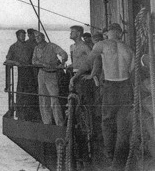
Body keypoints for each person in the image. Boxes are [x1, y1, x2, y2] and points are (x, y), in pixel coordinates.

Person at [70, 23, 134, 171]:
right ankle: (119, 164)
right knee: (123, 128)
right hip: (125, 87)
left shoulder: (102, 45)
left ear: (108, 32)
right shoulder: (128, 48)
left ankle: (110, 158)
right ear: (119, 33)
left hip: (111, 87)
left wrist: (76, 76)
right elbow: (132, 70)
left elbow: (88, 62)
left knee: (107, 124)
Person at [32, 31, 68, 126]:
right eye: (36, 37)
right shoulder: (36, 48)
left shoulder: (52, 46)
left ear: (43, 37)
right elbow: (33, 61)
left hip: (51, 75)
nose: (37, 38)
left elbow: (63, 53)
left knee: (54, 100)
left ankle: (59, 123)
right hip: (41, 74)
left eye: (39, 36)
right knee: (43, 100)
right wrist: (42, 64)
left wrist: (62, 63)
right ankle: (47, 123)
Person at [4, 29, 36, 120]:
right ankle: (20, 110)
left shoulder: (28, 46)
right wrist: (16, 62)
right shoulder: (13, 47)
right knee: (21, 90)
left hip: (31, 70)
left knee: (31, 90)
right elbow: (7, 60)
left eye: (24, 35)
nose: (24, 37)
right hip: (22, 70)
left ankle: (30, 110)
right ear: (18, 36)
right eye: (22, 35)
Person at [69, 25, 94, 105]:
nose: (70, 33)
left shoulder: (84, 46)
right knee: (75, 100)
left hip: (82, 75)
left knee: (83, 101)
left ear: (79, 33)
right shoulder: (73, 46)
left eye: (72, 32)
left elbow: (92, 59)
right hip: (74, 74)